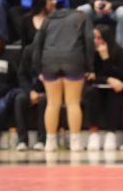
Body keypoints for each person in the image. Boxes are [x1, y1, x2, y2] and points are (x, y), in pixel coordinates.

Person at [33, 8, 94, 152]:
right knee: (73, 103)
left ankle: (50, 142)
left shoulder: (49, 19)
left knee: (52, 103)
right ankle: (75, 143)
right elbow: (89, 40)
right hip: (73, 60)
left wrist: (37, 68)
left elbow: (37, 44)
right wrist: (90, 67)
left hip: (49, 60)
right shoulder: (81, 17)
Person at [13, 0, 56, 152]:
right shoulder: (26, 21)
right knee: (20, 99)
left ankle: (42, 139)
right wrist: (30, 91)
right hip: (30, 60)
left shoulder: (53, 20)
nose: (53, 2)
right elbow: (22, 71)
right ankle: (22, 140)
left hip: (49, 62)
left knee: (46, 100)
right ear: (42, 2)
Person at [83, 24, 123, 151]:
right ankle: (93, 133)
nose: (95, 41)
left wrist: (106, 59)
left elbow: (121, 76)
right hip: (95, 87)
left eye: (99, 38)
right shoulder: (90, 53)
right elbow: (91, 76)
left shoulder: (118, 52)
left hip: (114, 89)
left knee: (115, 95)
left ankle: (111, 134)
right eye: (94, 38)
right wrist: (108, 79)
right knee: (91, 93)